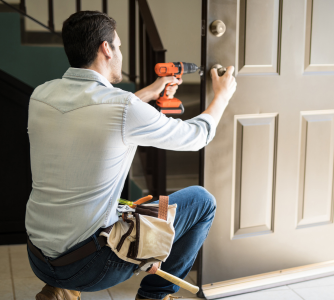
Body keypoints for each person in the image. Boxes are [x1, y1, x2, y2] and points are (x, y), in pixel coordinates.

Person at [26, 10, 236, 300]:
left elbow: (96, 115)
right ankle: (154, 295)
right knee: (202, 201)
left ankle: (62, 288)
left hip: (39, 257)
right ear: (105, 48)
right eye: (120, 46)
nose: (121, 52)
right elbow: (196, 137)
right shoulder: (122, 107)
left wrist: (149, 93)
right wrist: (222, 96)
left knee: (108, 211)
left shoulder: (40, 96)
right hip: (91, 264)